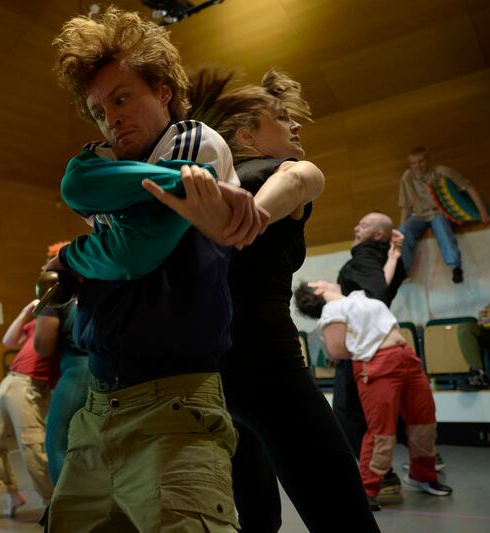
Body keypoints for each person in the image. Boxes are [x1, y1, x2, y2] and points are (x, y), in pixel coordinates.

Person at [45, 7, 267, 531]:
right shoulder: (112, 164)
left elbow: (132, 253)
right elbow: (75, 185)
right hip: (98, 408)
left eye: (122, 98)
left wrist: (71, 257)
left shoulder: (192, 141)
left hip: (174, 406)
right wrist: (171, 186)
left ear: (163, 91)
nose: (112, 119)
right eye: (100, 112)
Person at [162, 67, 378, 532]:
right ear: (244, 134)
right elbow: (301, 178)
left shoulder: (205, 189)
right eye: (281, 118)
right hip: (267, 366)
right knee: (342, 513)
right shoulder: (266, 175)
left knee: (257, 514)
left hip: (213, 372)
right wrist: (255, 213)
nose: (296, 126)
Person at [295, 281, 453, 510]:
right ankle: (367, 489)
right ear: (317, 291)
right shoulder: (332, 309)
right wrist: (370, 350)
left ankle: (423, 475)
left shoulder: (358, 298)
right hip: (377, 364)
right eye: (318, 282)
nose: (325, 280)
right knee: (382, 432)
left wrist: (393, 254)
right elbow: (337, 350)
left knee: (424, 423)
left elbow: (383, 280)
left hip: (406, 358)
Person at [333, 212, 411, 497]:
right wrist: (396, 254)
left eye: (363, 225)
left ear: (378, 235)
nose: (356, 226)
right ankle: (395, 469)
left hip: (364, 349)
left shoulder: (364, 257)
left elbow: (377, 294)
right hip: (380, 346)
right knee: (371, 415)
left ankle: (382, 476)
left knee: (347, 413)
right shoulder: (385, 257)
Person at [0, 299, 57, 517]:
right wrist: (25, 313)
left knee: (33, 448)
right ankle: (12, 493)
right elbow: (8, 341)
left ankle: (52, 503)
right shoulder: (39, 320)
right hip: (10, 381)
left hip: (31, 386)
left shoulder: (58, 316)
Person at [36, 243, 92, 484]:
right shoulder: (95, 289)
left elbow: (43, 346)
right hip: (108, 370)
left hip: (77, 373)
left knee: (56, 441)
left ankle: (67, 509)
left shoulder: (57, 298)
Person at [398, 146, 490, 283]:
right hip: (419, 215)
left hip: (439, 212)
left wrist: (482, 212)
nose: (417, 166)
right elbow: (405, 205)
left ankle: (455, 267)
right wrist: (401, 228)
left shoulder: (442, 171)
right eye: (413, 163)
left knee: (441, 227)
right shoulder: (407, 177)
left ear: (428, 160)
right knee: (403, 231)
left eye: (421, 161)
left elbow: (468, 186)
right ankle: (403, 269)